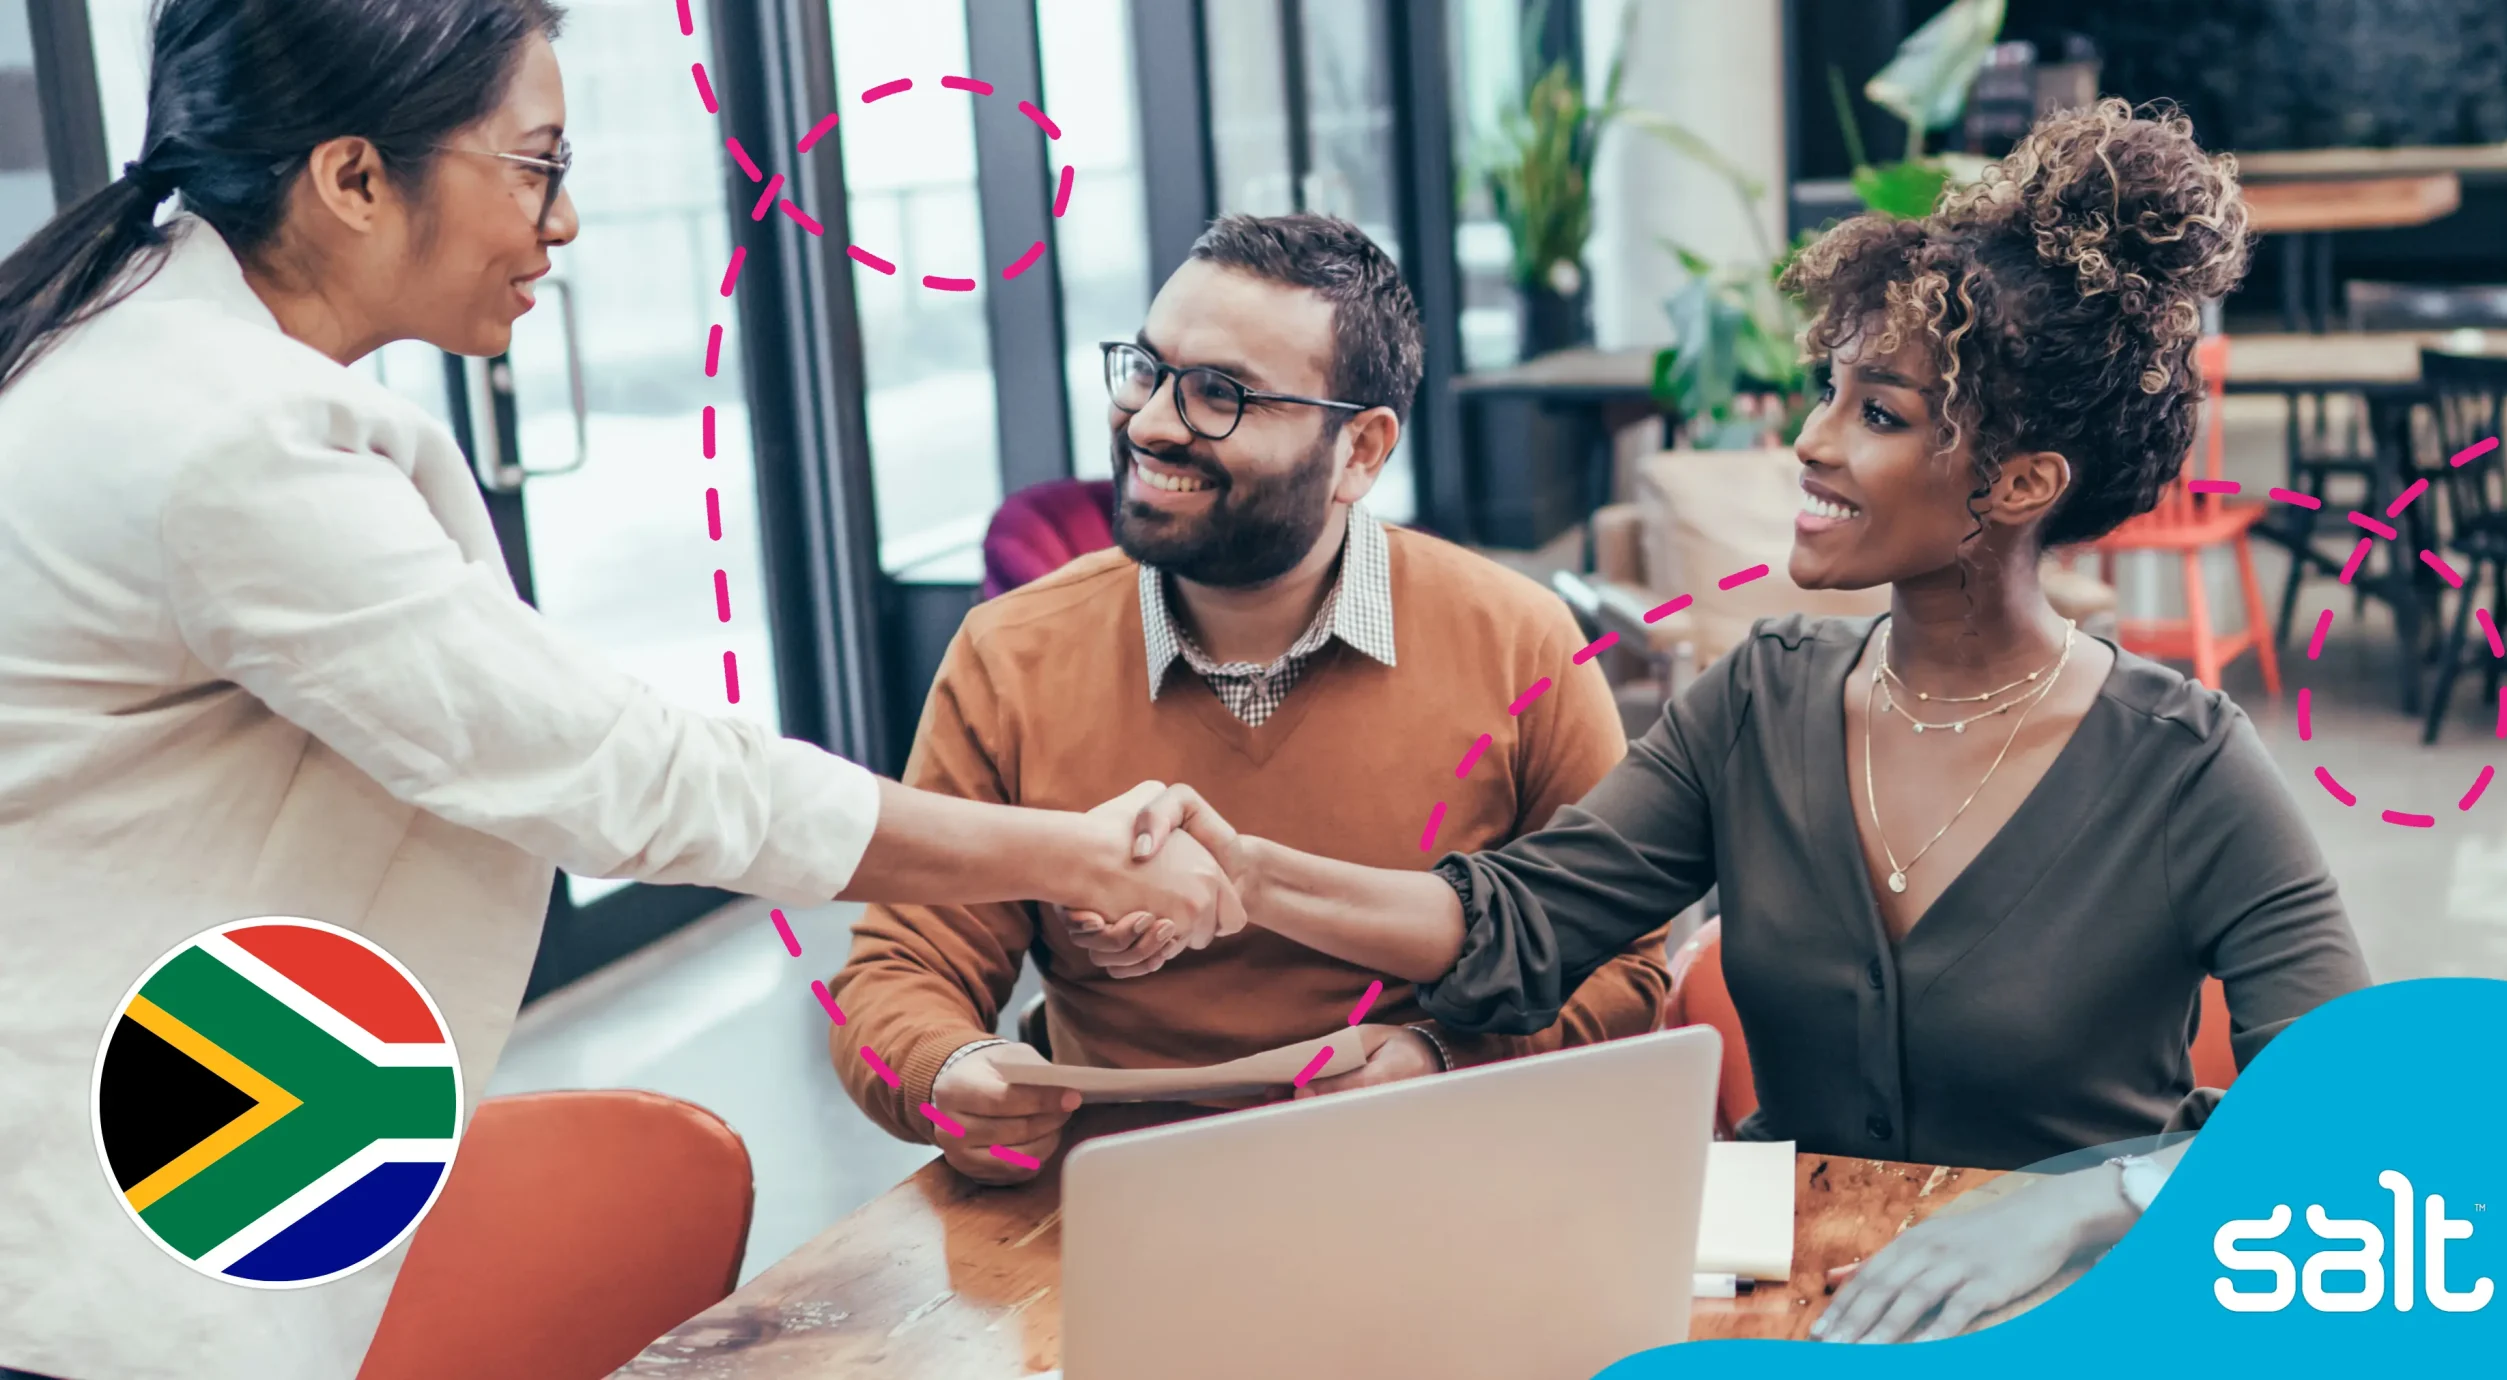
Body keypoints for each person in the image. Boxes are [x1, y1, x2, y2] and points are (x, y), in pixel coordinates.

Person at [0, 4, 1227, 1378]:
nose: (564, 221)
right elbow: (623, 772)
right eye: (535, 167)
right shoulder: (225, 441)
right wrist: (1067, 852)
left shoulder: (129, 351)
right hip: (83, 1259)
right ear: (352, 180)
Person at [1077, 101, 2372, 1340]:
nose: (1808, 443)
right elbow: (1520, 920)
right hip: (1776, 1305)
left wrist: (2094, 1203)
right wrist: (1244, 873)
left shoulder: (2185, 765)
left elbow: (2351, 1126)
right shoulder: (1761, 700)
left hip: (2072, 1317)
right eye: (1829, 389)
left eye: (1879, 413)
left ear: (2021, 483)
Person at [826, 213, 1670, 1184]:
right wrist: (949, 1071)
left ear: (1359, 450)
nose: (1148, 423)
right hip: (1118, 1196)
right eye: (1144, 370)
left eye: (1219, 395)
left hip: (1433, 1172)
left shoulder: (1517, 641)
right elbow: (897, 972)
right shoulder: (1010, 653)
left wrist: (1449, 1060)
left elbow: (1623, 966)